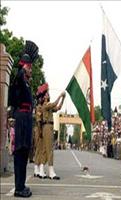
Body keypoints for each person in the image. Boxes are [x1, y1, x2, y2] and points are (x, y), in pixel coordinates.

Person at [11, 40, 39, 198]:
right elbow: (20, 74)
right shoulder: (21, 78)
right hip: (22, 118)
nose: (32, 70)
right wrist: (26, 60)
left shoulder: (26, 83)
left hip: (26, 119)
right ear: (26, 66)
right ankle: (18, 187)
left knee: (24, 152)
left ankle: (21, 185)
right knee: (20, 152)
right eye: (30, 67)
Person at [42, 87, 66, 179]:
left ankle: (41, 169)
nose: (47, 95)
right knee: (50, 149)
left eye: (48, 93)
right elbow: (55, 104)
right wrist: (60, 95)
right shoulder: (46, 105)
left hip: (49, 127)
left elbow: (58, 107)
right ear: (43, 97)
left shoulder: (49, 106)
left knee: (45, 150)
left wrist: (63, 98)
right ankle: (51, 172)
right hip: (47, 126)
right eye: (46, 94)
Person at [33, 83, 48, 178]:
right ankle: (36, 169)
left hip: (41, 129)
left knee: (41, 149)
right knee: (39, 149)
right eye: (46, 94)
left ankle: (38, 169)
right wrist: (41, 131)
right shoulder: (39, 107)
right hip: (39, 129)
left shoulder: (42, 106)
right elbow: (38, 120)